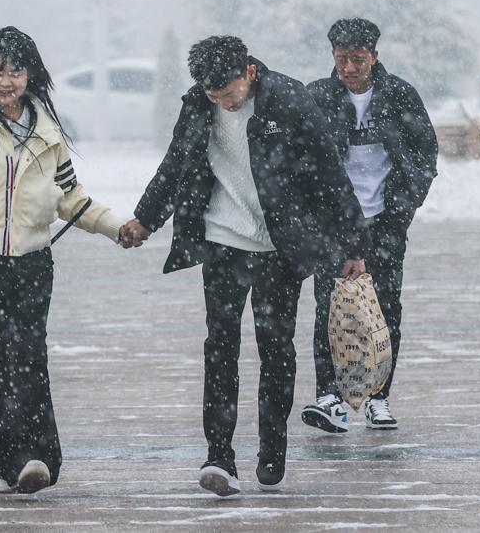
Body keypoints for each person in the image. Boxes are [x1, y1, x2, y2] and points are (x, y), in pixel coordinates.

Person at [120, 35, 369, 497]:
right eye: (216, 97)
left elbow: (328, 173)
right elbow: (175, 165)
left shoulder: (290, 100)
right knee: (220, 347)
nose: (225, 105)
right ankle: (219, 456)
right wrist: (145, 219)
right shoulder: (198, 105)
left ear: (249, 72)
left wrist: (354, 244)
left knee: (276, 351)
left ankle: (272, 449)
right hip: (221, 242)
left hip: (279, 248)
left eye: (230, 94)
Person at [0, 26, 128, 495]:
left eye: (16, 70)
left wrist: (117, 227)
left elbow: (71, 199)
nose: (7, 81)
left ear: (31, 74)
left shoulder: (48, 133)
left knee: (31, 358)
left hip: (34, 263)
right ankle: (12, 458)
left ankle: (40, 457)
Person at [301, 18, 438, 433]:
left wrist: (400, 211)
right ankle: (330, 396)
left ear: (374, 57)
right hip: (334, 225)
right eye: (341, 59)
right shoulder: (318, 97)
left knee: (385, 309)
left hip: (384, 222)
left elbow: (424, 157)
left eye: (357, 59)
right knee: (331, 309)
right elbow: (300, 159)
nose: (349, 68)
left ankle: (379, 397)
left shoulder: (399, 96)